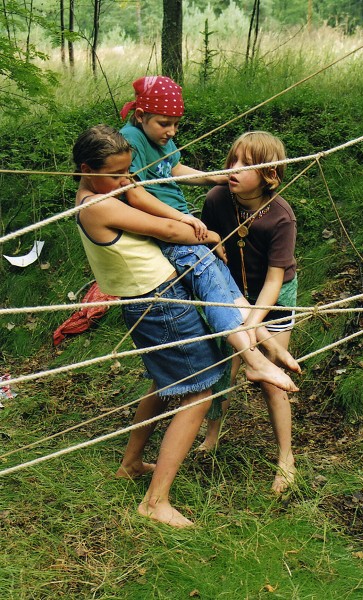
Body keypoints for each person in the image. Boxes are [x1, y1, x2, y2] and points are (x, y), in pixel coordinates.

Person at [72, 125, 297, 528]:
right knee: (197, 394)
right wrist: (204, 231)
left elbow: (139, 192)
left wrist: (185, 222)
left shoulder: (110, 185)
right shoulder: (97, 204)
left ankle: (131, 462)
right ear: (87, 169)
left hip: (158, 298)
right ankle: (155, 502)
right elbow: (168, 230)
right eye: (117, 174)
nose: (126, 180)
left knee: (167, 382)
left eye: (129, 172)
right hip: (160, 306)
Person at [119, 76, 299, 379]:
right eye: (165, 123)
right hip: (169, 227)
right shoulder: (131, 140)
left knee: (223, 283)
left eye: (176, 124)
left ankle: (268, 343)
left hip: (180, 221)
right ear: (140, 116)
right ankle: (257, 358)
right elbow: (135, 192)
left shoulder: (159, 139)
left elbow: (175, 170)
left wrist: (213, 177)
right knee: (213, 284)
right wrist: (184, 219)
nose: (172, 131)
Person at [199, 131, 299, 494]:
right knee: (225, 365)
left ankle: (286, 458)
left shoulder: (281, 217)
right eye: (232, 160)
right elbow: (208, 247)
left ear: (270, 173)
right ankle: (211, 436)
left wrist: (253, 326)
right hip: (231, 290)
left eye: (247, 164)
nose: (234, 169)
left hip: (273, 298)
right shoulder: (217, 199)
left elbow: (274, 282)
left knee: (268, 377)